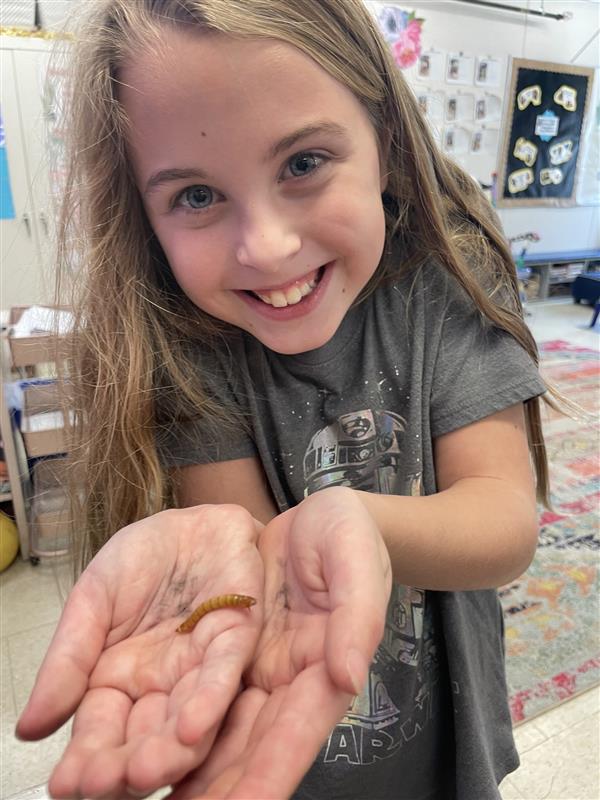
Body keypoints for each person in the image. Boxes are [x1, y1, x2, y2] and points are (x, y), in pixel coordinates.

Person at [16, 1, 553, 798]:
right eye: (196, 197)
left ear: (385, 141)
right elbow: (248, 547)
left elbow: (505, 524)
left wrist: (345, 522)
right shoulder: (183, 343)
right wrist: (258, 555)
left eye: (303, 163)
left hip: (449, 755)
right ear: (144, 213)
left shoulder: (448, 281)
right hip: (282, 756)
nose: (265, 247)